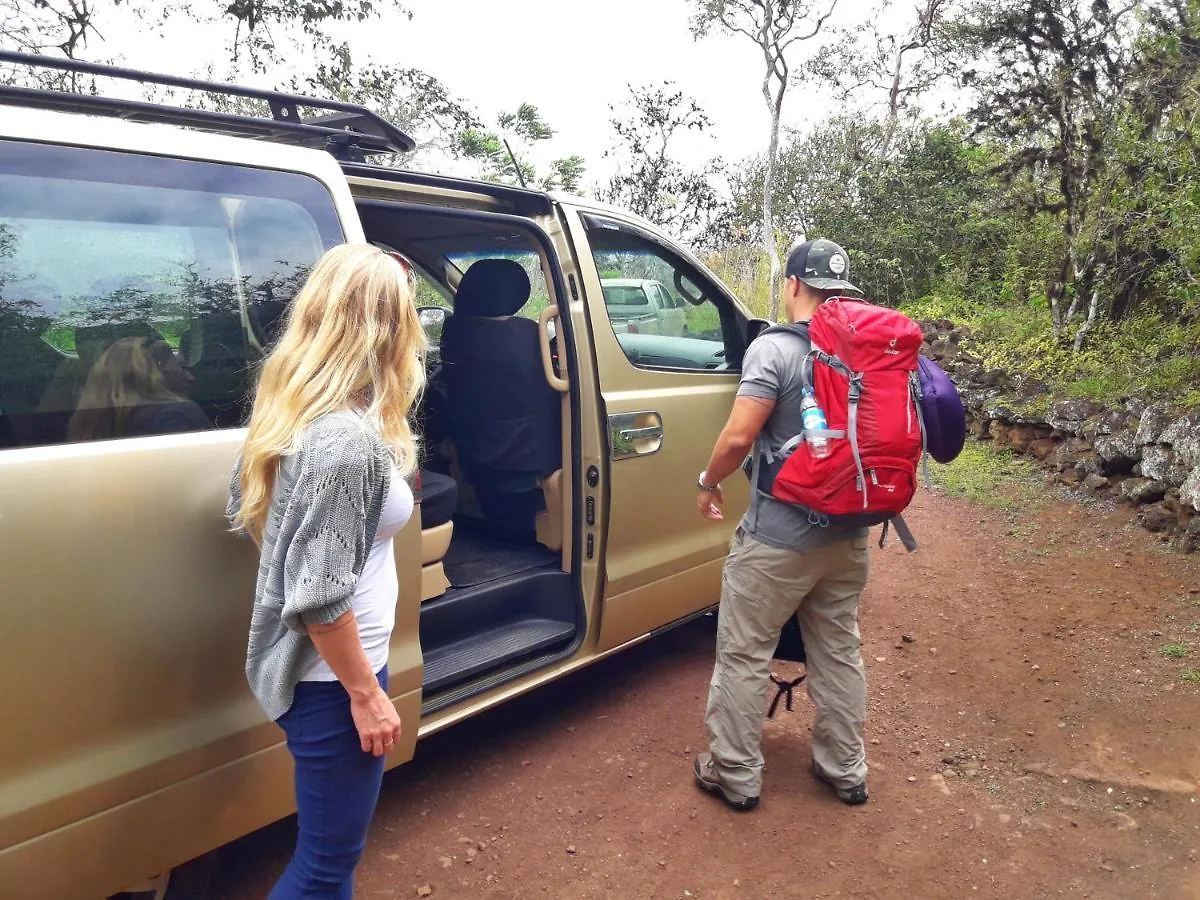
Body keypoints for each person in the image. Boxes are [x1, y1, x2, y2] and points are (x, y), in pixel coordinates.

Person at [227, 243, 427, 899]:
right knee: (324, 867)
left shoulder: (294, 409)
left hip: (323, 675)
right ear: (388, 328)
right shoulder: (345, 442)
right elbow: (318, 599)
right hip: (336, 680)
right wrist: (366, 695)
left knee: (327, 860)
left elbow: (260, 518)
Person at [692, 239, 873, 811]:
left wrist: (708, 480)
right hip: (849, 534)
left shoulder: (773, 350)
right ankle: (846, 770)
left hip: (778, 537)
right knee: (838, 650)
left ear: (793, 285)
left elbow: (741, 436)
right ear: (841, 288)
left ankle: (736, 775)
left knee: (745, 653)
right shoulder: (871, 346)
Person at [67, 334, 210, 442]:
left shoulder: (88, 424)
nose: (191, 378)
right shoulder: (178, 416)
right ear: (157, 373)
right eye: (183, 369)